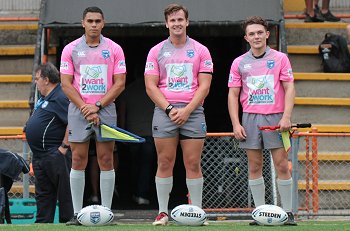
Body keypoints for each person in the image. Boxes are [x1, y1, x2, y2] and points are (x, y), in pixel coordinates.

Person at [144, 3, 213, 226]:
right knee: (165, 161)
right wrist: (171, 109)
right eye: (172, 20)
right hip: (165, 112)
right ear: (166, 23)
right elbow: (150, 86)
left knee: (193, 163)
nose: (176, 24)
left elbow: (204, 86)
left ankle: (197, 213)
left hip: (193, 111)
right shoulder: (156, 51)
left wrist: (187, 110)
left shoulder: (201, 50)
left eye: (180, 19)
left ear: (187, 22)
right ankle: (162, 213)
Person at [227, 16, 297, 226]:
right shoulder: (239, 62)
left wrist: (286, 116)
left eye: (260, 33)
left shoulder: (280, 58)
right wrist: (236, 123)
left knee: (282, 165)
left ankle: (288, 213)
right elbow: (232, 95)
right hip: (249, 118)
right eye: (252, 33)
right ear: (246, 37)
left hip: (276, 118)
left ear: (267, 34)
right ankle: (259, 212)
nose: (256, 36)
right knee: (254, 166)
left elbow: (290, 88)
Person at [60, 6, 126, 225]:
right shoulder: (70, 49)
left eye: (98, 21)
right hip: (79, 109)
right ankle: (78, 214)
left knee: (106, 159)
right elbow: (66, 84)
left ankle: (107, 213)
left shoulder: (115, 49)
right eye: (90, 21)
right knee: (78, 158)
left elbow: (120, 83)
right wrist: (85, 107)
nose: (94, 25)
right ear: (83, 23)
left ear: (103, 23)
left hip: (105, 108)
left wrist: (97, 105)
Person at [25, 62, 73, 223]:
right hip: (41, 156)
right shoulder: (47, 98)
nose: (35, 82)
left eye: (37, 79)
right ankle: (43, 224)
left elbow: (72, 121)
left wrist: (64, 147)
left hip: (54, 154)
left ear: (46, 79)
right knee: (44, 195)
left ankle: (68, 223)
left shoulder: (60, 96)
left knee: (65, 194)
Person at [117, 77, 157, 206]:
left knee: (134, 165)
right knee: (147, 165)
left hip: (132, 134)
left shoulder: (127, 90)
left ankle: (134, 193)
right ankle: (142, 194)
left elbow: (122, 114)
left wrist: (122, 132)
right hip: (150, 133)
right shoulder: (154, 90)